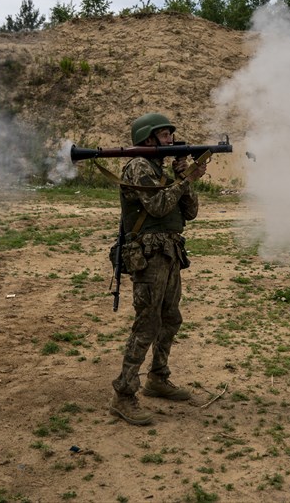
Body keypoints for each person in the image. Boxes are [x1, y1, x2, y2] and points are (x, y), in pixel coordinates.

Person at [110, 113, 207, 426]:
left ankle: (158, 377)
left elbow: (189, 212)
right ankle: (123, 395)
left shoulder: (161, 169)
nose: (172, 141)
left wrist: (183, 177)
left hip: (169, 253)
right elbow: (157, 207)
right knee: (146, 324)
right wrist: (186, 180)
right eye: (166, 136)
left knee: (170, 318)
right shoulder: (138, 166)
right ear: (149, 139)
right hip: (149, 255)